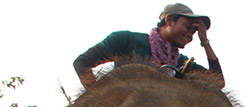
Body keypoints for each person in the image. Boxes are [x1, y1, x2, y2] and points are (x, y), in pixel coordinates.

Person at [73, 3, 222, 88]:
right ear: (170, 20)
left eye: (195, 31)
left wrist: (205, 42)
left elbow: (218, 82)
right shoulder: (126, 40)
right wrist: (101, 98)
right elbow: (82, 63)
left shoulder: (181, 63)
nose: (190, 34)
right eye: (188, 26)